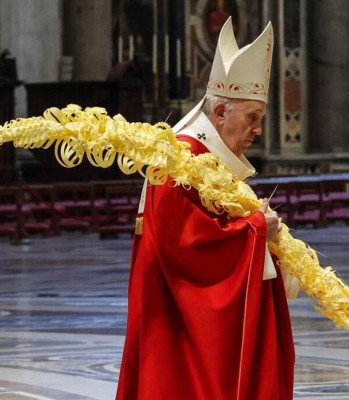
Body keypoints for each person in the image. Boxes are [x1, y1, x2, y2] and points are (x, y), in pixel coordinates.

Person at [116, 18, 297, 400]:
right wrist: (256, 227)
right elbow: (185, 247)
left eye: (260, 120)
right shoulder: (177, 161)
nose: (258, 130)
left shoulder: (212, 157)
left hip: (194, 320)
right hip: (176, 321)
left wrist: (258, 227)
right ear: (219, 114)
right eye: (252, 118)